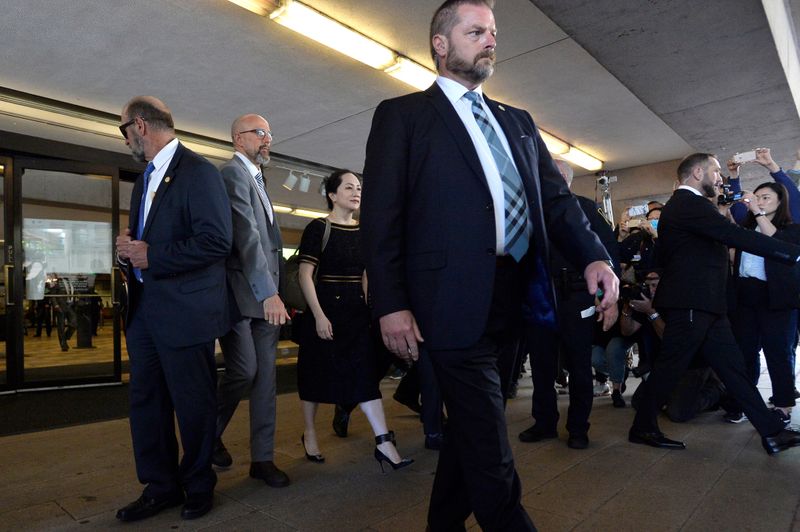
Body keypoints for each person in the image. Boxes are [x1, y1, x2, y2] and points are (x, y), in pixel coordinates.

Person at [361, 1, 618, 529]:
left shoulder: (516, 122)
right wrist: (390, 304)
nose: (490, 40)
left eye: (494, 32)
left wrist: (595, 255)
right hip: (448, 300)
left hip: (517, 298)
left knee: (471, 431)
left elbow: (557, 202)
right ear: (440, 43)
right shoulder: (404, 116)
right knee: (489, 443)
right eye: (475, 31)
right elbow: (381, 219)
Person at [628, 153, 800, 456]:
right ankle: (642, 426)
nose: (719, 178)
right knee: (670, 368)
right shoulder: (686, 204)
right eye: (716, 172)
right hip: (693, 302)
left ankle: (772, 432)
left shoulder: (691, 206)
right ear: (697, 173)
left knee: (734, 370)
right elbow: (733, 234)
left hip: (707, 304)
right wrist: (791, 253)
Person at [114, 96, 232, 522]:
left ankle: (199, 485)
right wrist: (129, 251)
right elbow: (144, 245)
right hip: (145, 311)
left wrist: (154, 255)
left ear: (140, 126)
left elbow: (217, 241)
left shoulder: (198, 172)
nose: (126, 138)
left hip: (185, 312)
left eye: (124, 129)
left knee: (193, 404)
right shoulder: (143, 180)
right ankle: (160, 486)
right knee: (146, 403)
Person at [296, 169, 412, 470]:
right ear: (332, 195)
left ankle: (384, 442)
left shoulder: (364, 232)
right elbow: (305, 274)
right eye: (348, 187)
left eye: (358, 187)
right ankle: (309, 433)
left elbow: (365, 278)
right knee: (315, 375)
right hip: (325, 311)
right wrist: (319, 315)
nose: (356, 192)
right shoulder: (318, 228)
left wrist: (372, 314)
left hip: (355, 314)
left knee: (364, 375)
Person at [212, 114, 291, 488]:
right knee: (244, 370)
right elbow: (246, 238)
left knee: (266, 381)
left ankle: (263, 459)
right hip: (244, 294)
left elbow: (271, 242)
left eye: (269, 133)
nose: (267, 139)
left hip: (267, 294)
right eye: (260, 132)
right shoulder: (232, 174)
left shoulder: (260, 179)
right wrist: (268, 292)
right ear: (237, 139)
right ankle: (208, 434)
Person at [520, 159, 619, 449]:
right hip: (540, 297)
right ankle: (544, 423)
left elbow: (608, 257)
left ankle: (578, 428)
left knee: (578, 365)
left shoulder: (586, 209)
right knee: (541, 364)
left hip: (577, 294)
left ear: (563, 178)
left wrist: (610, 301)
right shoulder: (531, 212)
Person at [725, 182, 800, 424]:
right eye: (756, 197)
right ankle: (745, 402)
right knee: (745, 351)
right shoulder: (747, 228)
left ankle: (783, 405)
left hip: (776, 297)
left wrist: (756, 211)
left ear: (780, 202)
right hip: (746, 295)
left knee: (778, 352)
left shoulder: (791, 229)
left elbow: (776, 244)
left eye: (766, 197)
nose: (759, 201)